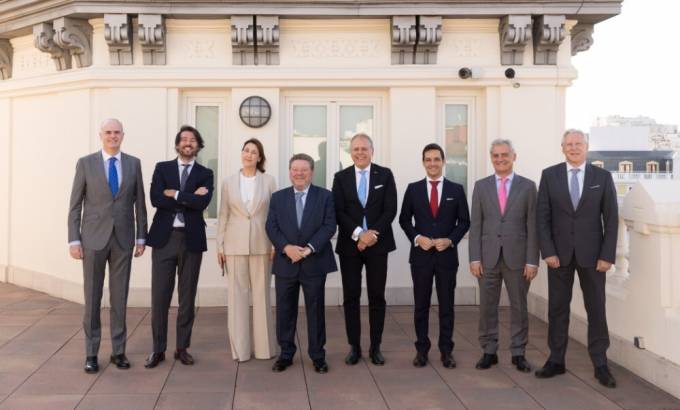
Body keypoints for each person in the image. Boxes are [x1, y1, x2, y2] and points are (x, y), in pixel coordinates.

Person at [535, 129, 618, 388]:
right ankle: (556, 360)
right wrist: (547, 251)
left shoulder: (602, 177)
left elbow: (611, 219)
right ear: (562, 148)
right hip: (558, 256)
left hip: (593, 257)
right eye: (569, 144)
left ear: (586, 146)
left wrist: (607, 255)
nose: (573, 148)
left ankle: (600, 363)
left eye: (578, 143)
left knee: (597, 309)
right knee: (557, 309)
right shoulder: (549, 175)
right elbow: (542, 217)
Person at [67, 118, 147, 373]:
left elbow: (140, 203)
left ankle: (118, 351)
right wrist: (74, 239)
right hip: (92, 240)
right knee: (92, 298)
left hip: (123, 239)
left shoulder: (133, 164)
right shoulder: (85, 163)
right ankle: (91, 353)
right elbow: (75, 205)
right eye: (108, 132)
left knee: (119, 297)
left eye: (117, 132)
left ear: (123, 135)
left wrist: (141, 237)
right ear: (101, 135)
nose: (113, 136)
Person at [144, 125, 214, 368]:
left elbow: (203, 202)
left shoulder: (206, 173)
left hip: (191, 240)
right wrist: (189, 197)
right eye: (183, 139)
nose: (188, 143)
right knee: (159, 297)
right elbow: (156, 198)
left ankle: (182, 348)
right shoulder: (162, 168)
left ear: (198, 145)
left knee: (187, 296)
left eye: (192, 139)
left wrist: (174, 194)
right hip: (164, 239)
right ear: (177, 144)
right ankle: (158, 349)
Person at [468, 138, 538, 372]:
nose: (500, 159)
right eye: (496, 155)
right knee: (487, 307)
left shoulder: (528, 187)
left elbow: (532, 226)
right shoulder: (481, 186)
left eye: (504, 155)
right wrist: (474, 258)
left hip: (518, 258)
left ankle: (518, 352)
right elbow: (476, 225)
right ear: (491, 158)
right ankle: (489, 350)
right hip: (487, 258)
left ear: (513, 157)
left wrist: (532, 260)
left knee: (519, 307)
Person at [398, 143, 469, 368]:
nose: (432, 163)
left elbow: (464, 222)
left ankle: (446, 351)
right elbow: (404, 219)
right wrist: (418, 238)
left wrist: (450, 240)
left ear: (443, 161)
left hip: (447, 257)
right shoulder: (413, 189)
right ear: (423, 162)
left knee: (447, 305)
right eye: (428, 159)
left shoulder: (456, 190)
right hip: (421, 257)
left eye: (436, 159)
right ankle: (422, 350)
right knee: (421, 305)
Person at [265, 153, 337, 374]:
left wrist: (308, 249)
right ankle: (286, 354)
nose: (299, 173)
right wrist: (286, 248)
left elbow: (329, 226)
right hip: (286, 262)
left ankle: (317, 356)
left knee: (315, 311)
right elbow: (271, 227)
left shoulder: (325, 196)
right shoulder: (278, 198)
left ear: (312, 172)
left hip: (314, 262)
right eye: (295, 169)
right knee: (285, 310)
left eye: (304, 170)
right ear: (290, 172)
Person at [332, 133, 397, 366]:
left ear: (372, 151)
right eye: (356, 149)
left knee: (376, 296)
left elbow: (390, 209)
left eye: (364, 148)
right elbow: (338, 211)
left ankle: (375, 347)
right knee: (351, 297)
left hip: (378, 245)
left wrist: (371, 236)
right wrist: (359, 234)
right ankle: (355, 347)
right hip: (350, 246)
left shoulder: (385, 174)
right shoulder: (340, 177)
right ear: (351, 152)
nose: (360, 152)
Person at [217, 138, 277, 361]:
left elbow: (274, 215)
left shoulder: (269, 181)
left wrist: (275, 244)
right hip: (234, 245)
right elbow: (223, 215)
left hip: (263, 244)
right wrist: (220, 246)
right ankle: (240, 351)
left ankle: (265, 350)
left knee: (262, 297)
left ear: (259, 157)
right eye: (246, 150)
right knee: (237, 299)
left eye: (253, 152)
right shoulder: (228, 182)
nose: (249, 154)